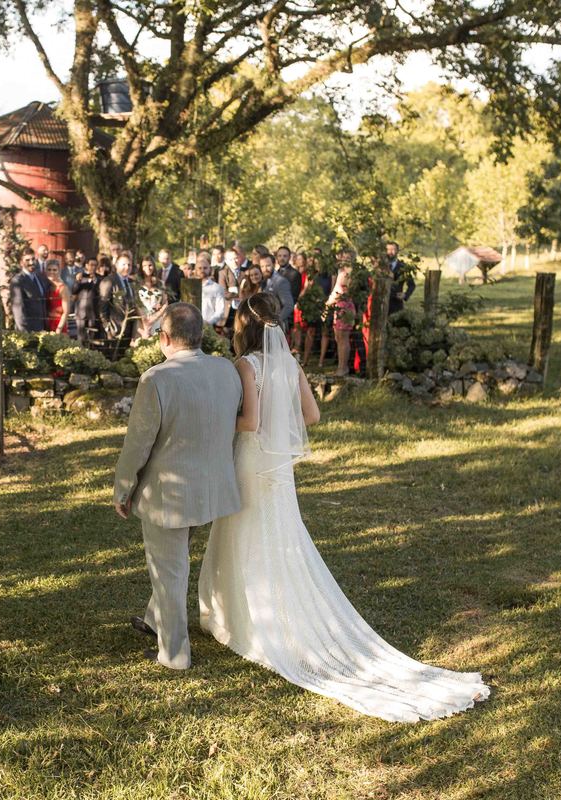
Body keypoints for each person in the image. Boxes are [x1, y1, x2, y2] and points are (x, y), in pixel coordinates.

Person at [197, 291, 490, 720]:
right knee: (277, 533)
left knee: (243, 531)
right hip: (277, 468)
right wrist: (281, 422)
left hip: (251, 460)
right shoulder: (290, 364)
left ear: (245, 326)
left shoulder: (247, 365)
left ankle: (243, 618)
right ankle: (261, 612)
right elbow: (312, 415)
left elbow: (251, 421)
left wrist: (218, 418)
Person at [114, 303, 243, 669]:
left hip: (169, 495)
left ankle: (174, 653)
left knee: (169, 571)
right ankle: (155, 619)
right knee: (174, 561)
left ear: (164, 337)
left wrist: (122, 489)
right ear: (201, 335)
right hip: (213, 488)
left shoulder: (156, 379)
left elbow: (138, 444)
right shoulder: (226, 370)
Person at [98, 252, 138, 345]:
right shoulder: (109, 281)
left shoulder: (132, 282)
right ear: (116, 265)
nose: (127, 267)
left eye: (129, 265)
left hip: (129, 332)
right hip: (114, 332)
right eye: (123, 264)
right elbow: (102, 307)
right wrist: (107, 328)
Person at [326, 266, 358, 376]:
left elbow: (341, 292)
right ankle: (340, 366)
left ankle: (343, 367)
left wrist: (329, 302)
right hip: (338, 307)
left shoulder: (348, 273)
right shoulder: (341, 272)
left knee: (343, 338)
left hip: (345, 308)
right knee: (338, 338)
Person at [9, 247, 48, 333]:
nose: (31, 262)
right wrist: (25, 334)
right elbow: (18, 310)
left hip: (42, 329)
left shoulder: (39, 277)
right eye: (27, 260)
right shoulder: (18, 280)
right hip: (28, 331)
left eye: (33, 259)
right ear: (21, 263)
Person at [72, 257, 101, 343]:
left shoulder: (99, 278)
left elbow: (100, 292)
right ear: (86, 265)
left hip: (93, 312)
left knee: (92, 337)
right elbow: (74, 291)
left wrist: (95, 281)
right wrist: (78, 281)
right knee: (81, 337)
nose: (93, 267)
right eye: (91, 265)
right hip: (81, 312)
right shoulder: (81, 276)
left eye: (95, 265)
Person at [264, 252, 295, 332]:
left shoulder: (281, 281)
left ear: (274, 264)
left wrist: (275, 321)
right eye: (262, 266)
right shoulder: (263, 280)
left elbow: (289, 305)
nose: (265, 269)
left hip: (276, 328)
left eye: (268, 265)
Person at [136, 261, 168, 338]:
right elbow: (136, 304)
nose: (148, 268)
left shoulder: (160, 283)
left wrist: (156, 317)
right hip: (142, 321)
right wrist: (145, 321)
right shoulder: (136, 284)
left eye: (150, 265)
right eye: (144, 265)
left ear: (154, 266)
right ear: (141, 268)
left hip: (157, 320)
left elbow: (165, 303)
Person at [385, 241, 416, 314]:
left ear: (397, 251)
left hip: (396, 304)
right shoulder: (380, 266)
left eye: (393, 249)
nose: (390, 252)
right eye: (388, 249)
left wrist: (405, 295)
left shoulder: (403, 267)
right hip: (381, 303)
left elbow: (412, 285)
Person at [45, 257, 71, 335]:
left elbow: (66, 312)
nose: (51, 272)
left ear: (59, 271)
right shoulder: (47, 286)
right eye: (49, 269)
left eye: (54, 270)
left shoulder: (63, 288)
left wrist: (59, 329)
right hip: (47, 323)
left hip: (58, 324)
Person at [200, 264, 228, 330]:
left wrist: (209, 322)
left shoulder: (217, 288)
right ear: (195, 270)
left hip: (210, 327)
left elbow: (220, 310)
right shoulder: (189, 287)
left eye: (205, 268)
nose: (202, 270)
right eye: (199, 268)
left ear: (210, 269)